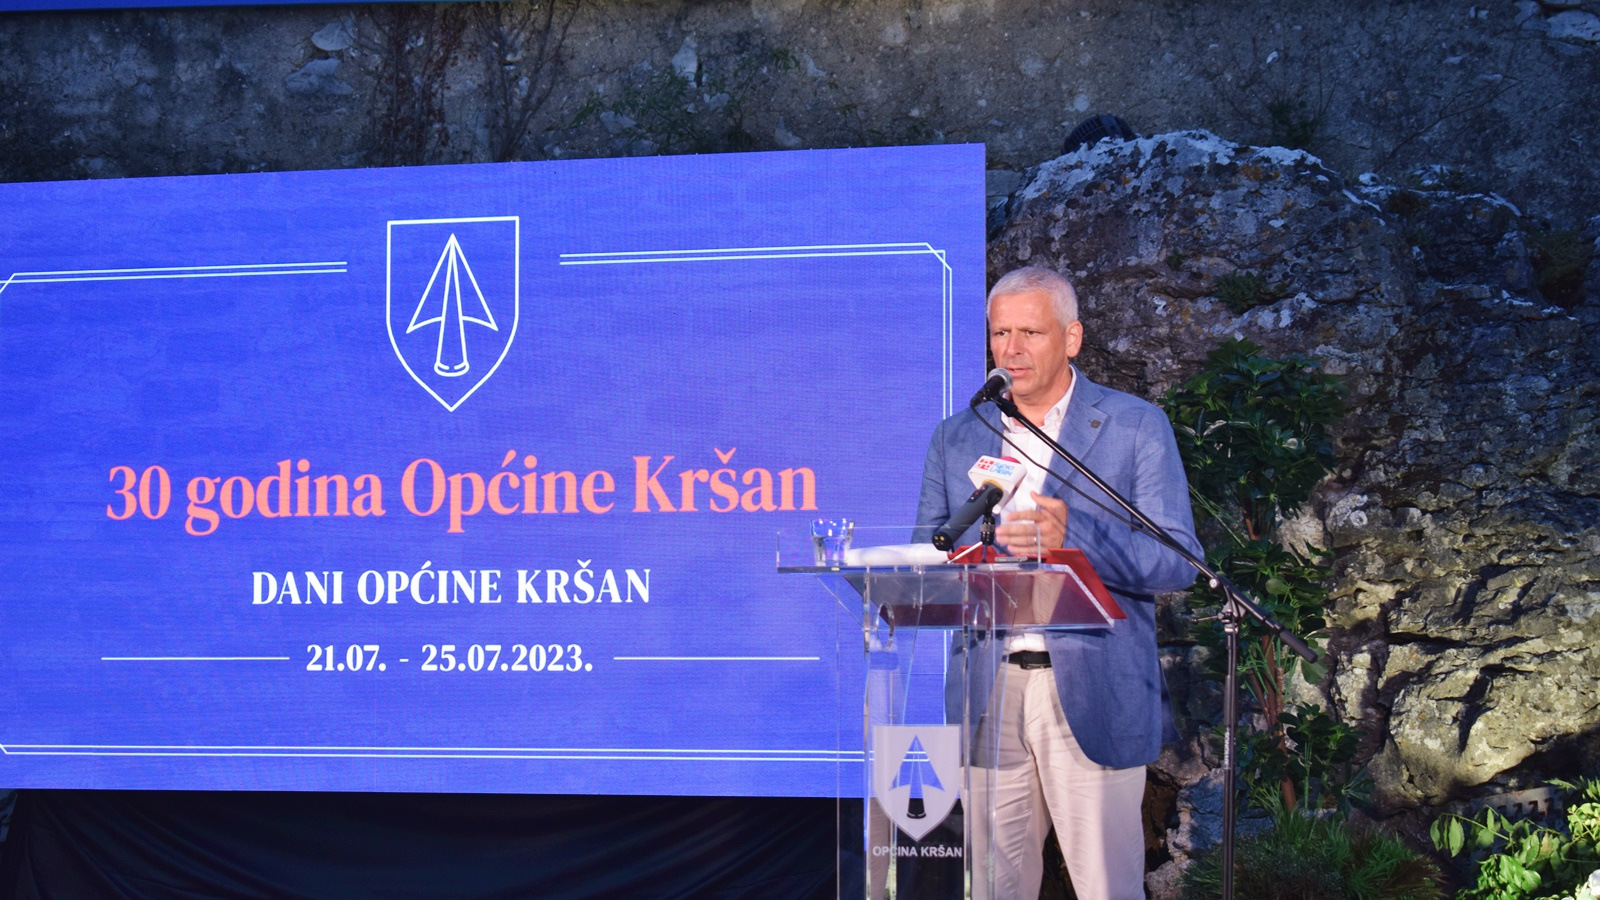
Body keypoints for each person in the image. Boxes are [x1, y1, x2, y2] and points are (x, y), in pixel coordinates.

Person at [916, 266, 1200, 899]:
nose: (1012, 350)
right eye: (1000, 333)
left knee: (1106, 887)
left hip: (1092, 685)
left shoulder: (1133, 425)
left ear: (1072, 338)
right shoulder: (957, 435)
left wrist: (1076, 537)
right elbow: (927, 551)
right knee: (995, 888)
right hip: (987, 687)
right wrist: (972, 555)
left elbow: (1178, 560)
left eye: (1031, 333)